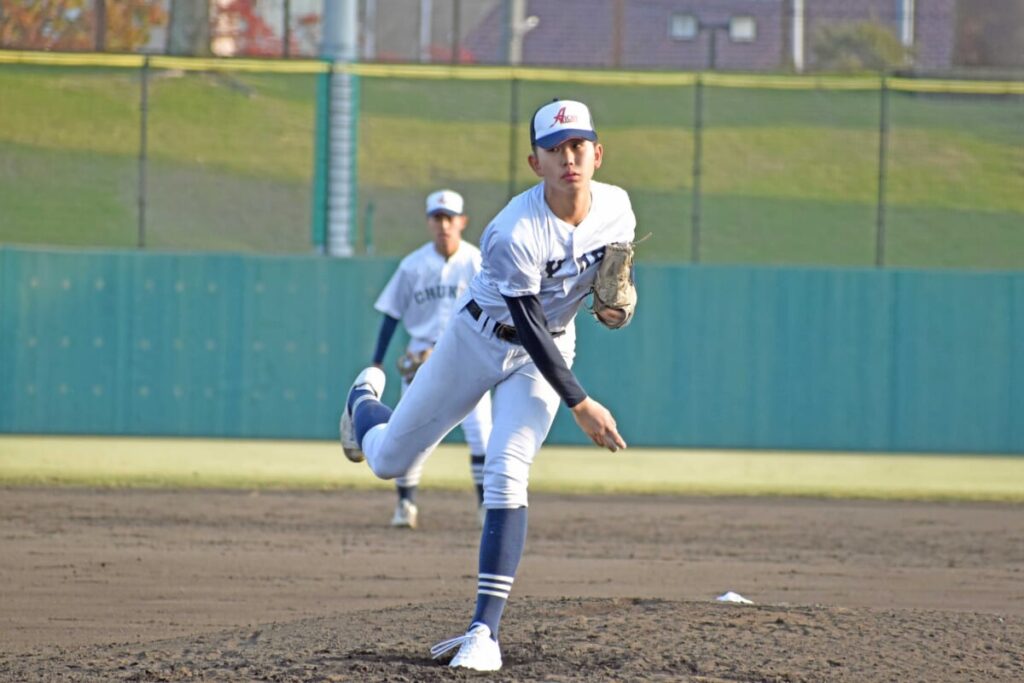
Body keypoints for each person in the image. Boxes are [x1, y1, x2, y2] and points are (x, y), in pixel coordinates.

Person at [339, 98, 636, 672]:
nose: (568, 158)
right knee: (388, 462)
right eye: (555, 150)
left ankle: (483, 632)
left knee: (507, 465)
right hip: (479, 340)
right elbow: (524, 320)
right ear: (535, 163)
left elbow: (609, 273)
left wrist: (619, 292)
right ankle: (363, 403)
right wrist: (580, 401)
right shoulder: (512, 230)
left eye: (578, 146)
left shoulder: (619, 209)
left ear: (597, 153)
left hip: (548, 349)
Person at [364, 189, 492, 529]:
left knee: (481, 435)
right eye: (437, 218)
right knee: (409, 433)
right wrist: (377, 361)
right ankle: (405, 506)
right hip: (419, 360)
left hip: (471, 360)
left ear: (462, 221)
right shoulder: (413, 266)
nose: (444, 225)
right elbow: (391, 314)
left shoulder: (478, 263)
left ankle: (485, 508)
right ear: (429, 222)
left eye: (450, 218)